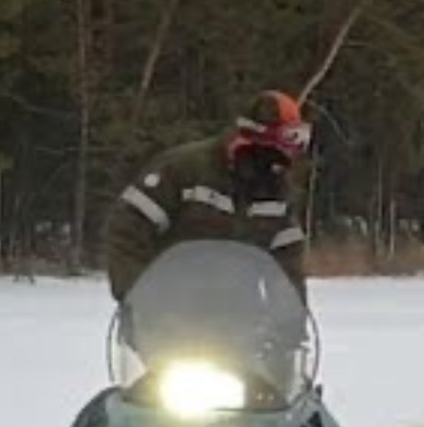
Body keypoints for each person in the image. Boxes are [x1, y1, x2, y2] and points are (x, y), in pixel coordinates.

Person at [104, 90, 313, 302]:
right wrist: (137, 293)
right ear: (257, 138)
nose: (290, 153)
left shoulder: (277, 194)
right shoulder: (182, 170)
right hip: (167, 313)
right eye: (287, 140)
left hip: (240, 318)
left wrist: (288, 321)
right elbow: (128, 228)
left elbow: (288, 261)